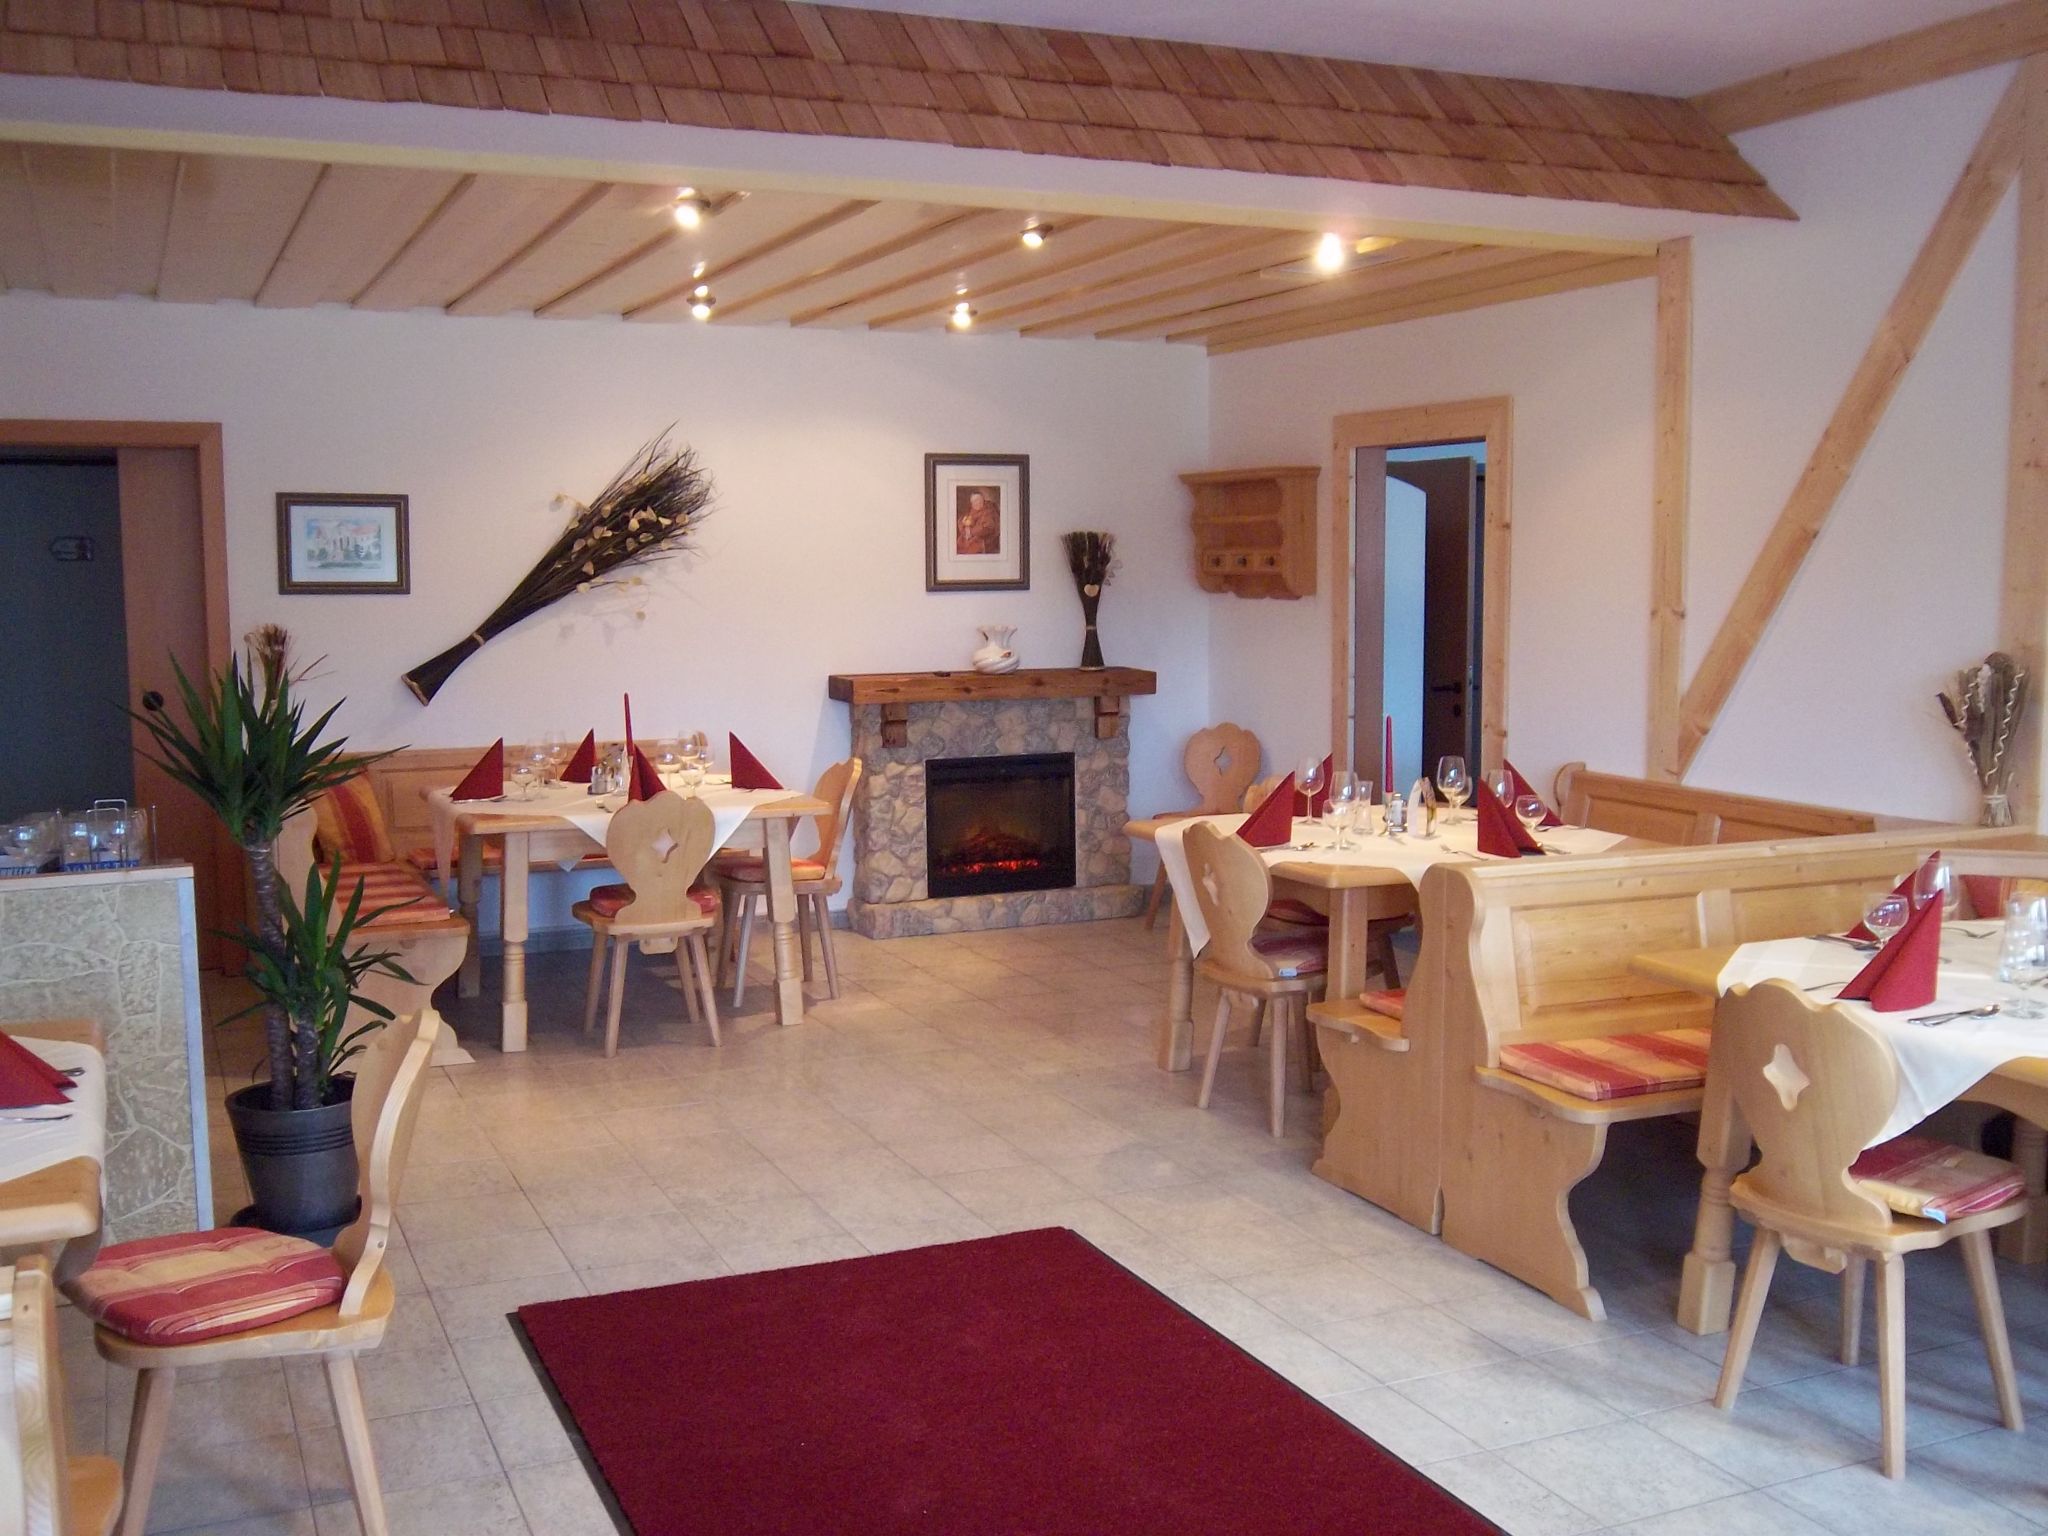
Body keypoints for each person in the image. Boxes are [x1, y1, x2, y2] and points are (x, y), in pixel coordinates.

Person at [955, 488, 1000, 555]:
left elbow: (987, 527)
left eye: (978, 500)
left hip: (984, 539)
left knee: (970, 548)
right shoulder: (972, 509)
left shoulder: (989, 510)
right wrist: (965, 526)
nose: (976, 503)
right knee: (958, 544)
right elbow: (963, 519)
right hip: (969, 536)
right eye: (974, 501)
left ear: (982, 500)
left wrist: (971, 532)